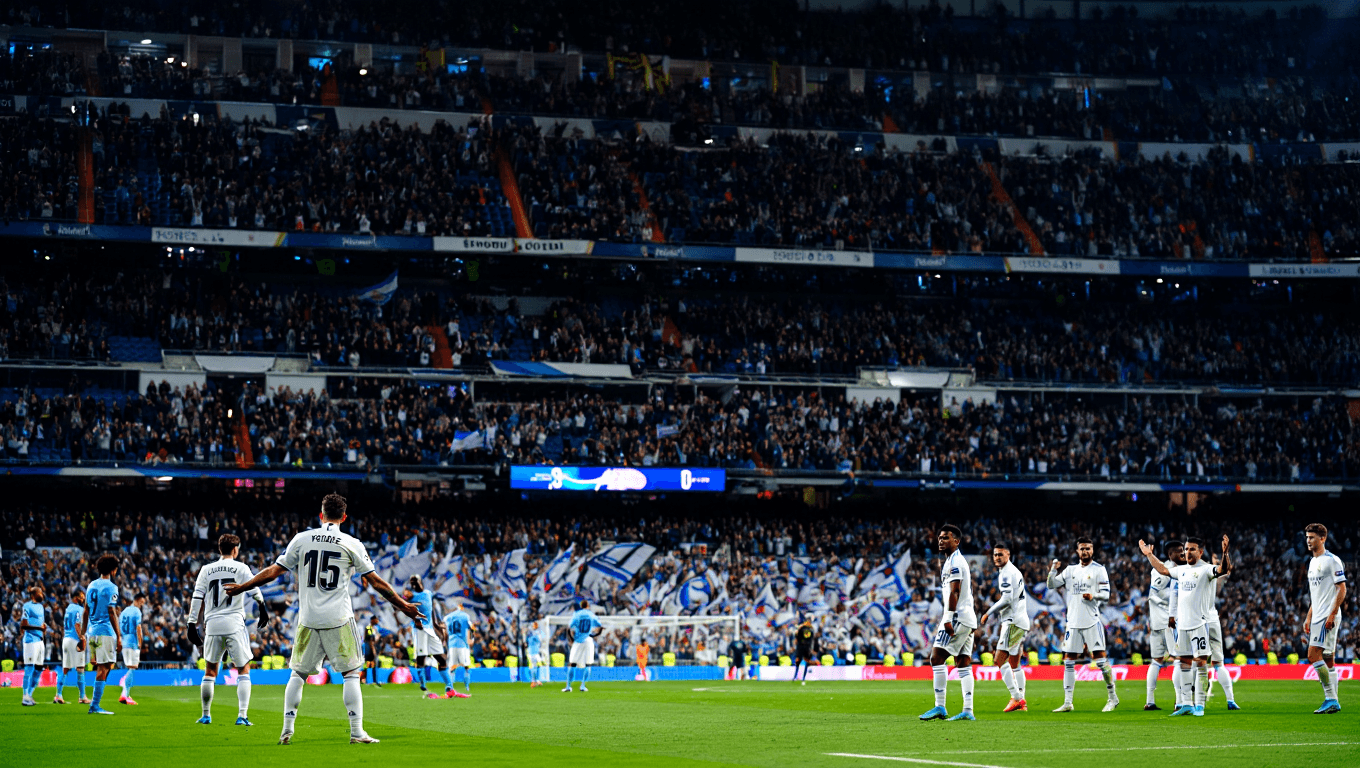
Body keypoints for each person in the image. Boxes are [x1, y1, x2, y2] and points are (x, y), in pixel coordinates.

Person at [225, 493, 424, 745]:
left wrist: (244, 587)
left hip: (308, 619)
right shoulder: (351, 543)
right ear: (344, 517)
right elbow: (376, 582)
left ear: (321, 515)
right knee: (351, 673)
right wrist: (404, 605)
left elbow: (273, 571)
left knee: (297, 675)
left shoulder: (302, 539)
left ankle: (287, 730)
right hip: (338, 617)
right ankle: (356, 732)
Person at [1139, 534, 1230, 717]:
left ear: (1200, 551)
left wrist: (1225, 553)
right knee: (1184, 663)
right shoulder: (1181, 571)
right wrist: (1149, 555)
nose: (1187, 552)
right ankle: (1186, 703)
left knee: (1201, 663)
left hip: (1199, 624)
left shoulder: (1205, 569)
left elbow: (1222, 570)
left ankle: (1200, 705)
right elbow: (1163, 570)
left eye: (1191, 549)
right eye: (1186, 549)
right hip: (1183, 627)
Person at [188, 533, 270, 725]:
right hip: (234, 623)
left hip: (213, 624)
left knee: (210, 671)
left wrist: (191, 623)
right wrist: (262, 606)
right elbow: (254, 586)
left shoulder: (206, 569)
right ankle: (242, 715)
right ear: (235, 550)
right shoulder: (241, 567)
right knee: (243, 669)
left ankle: (206, 715)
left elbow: (197, 597)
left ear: (219, 549)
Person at [1048, 536, 1117, 712]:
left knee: (1101, 661)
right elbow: (1051, 585)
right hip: (1073, 622)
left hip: (1092, 620)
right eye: (1082, 548)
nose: (1085, 551)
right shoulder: (1070, 570)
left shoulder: (1099, 570)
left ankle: (1112, 697)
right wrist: (1052, 571)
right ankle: (1068, 702)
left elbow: (1107, 594)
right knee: (1069, 662)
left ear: (1092, 550)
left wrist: (1093, 595)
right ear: (1077, 551)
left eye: (1088, 548)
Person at [919, 524, 978, 722]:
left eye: (946, 538)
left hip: (957, 617)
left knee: (936, 658)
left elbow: (955, 591)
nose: (941, 541)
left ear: (956, 541)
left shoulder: (955, 562)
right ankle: (968, 710)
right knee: (962, 663)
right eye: (940, 538)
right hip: (967, 617)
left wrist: (947, 617)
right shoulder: (952, 561)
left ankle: (940, 706)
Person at [1303, 523, 1346, 714]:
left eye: (1312, 537)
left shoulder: (1332, 561)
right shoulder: (1312, 562)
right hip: (1317, 615)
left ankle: (1331, 698)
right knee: (1328, 658)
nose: (1308, 541)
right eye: (1307, 537)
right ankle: (1334, 701)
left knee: (1313, 655)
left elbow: (1342, 589)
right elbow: (1317, 595)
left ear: (1323, 538)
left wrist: (1332, 613)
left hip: (1326, 616)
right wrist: (1308, 616)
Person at [980, 542, 1029, 712]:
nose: (997, 557)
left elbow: (1007, 599)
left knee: (999, 659)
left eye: (1000, 554)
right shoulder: (1013, 571)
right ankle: (1022, 700)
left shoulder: (1007, 574)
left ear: (1008, 554)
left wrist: (988, 612)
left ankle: (1016, 698)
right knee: (1015, 662)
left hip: (1013, 622)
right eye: (995, 555)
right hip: (1020, 620)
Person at [1144, 541, 1183, 711]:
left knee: (1157, 661)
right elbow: (1155, 594)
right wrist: (1172, 611)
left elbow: (1152, 596)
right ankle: (1179, 701)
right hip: (1169, 621)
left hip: (1157, 621)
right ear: (1170, 554)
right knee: (1177, 659)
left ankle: (1150, 701)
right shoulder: (1166, 570)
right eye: (1179, 551)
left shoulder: (1158, 569)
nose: (1182, 554)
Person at [81, 554, 122, 715]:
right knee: (103, 667)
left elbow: (86, 610)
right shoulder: (112, 587)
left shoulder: (91, 585)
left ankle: (95, 704)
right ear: (113, 570)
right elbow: (111, 612)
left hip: (92, 632)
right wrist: (119, 636)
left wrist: (83, 633)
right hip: (105, 631)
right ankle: (95, 705)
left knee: (105, 666)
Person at [1205, 553, 1240, 710]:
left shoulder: (1194, 571)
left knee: (1194, 663)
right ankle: (1230, 699)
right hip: (1213, 618)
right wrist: (1225, 555)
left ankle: (1193, 700)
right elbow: (1226, 571)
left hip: (1197, 619)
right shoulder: (1213, 572)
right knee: (1219, 663)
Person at [405, 576, 451, 698]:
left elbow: (431, 611)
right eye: (412, 583)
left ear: (421, 582)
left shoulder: (428, 593)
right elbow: (406, 608)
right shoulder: (411, 596)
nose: (414, 585)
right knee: (421, 657)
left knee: (441, 657)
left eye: (415, 582)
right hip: (419, 629)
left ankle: (449, 685)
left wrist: (437, 624)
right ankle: (423, 684)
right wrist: (415, 620)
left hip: (430, 629)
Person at [58, 590, 89, 705]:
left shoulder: (68, 609)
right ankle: (82, 696)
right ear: (75, 598)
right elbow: (77, 624)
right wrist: (82, 638)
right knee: (80, 668)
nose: (83, 599)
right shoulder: (79, 609)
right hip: (75, 640)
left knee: (65, 668)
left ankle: (58, 694)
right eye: (81, 597)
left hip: (66, 639)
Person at [564, 598, 601, 693]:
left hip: (578, 640)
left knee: (572, 664)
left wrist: (572, 639)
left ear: (581, 606)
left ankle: (568, 686)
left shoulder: (577, 614)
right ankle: (583, 686)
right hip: (588, 640)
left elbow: (569, 627)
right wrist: (595, 635)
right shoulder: (591, 615)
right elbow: (599, 626)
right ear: (588, 606)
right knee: (588, 664)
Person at [19, 586, 47, 707]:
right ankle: (25, 696)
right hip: (30, 640)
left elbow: (41, 624)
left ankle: (29, 694)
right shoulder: (27, 606)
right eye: (39, 592)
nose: (42, 594)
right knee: (29, 668)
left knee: (39, 668)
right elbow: (24, 625)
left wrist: (43, 631)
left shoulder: (41, 607)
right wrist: (39, 628)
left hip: (40, 641)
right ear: (33, 594)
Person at [117, 593, 146, 705]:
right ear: (137, 600)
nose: (142, 605)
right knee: (133, 668)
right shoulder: (136, 611)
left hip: (124, 642)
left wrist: (120, 640)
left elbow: (119, 628)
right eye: (142, 602)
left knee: (130, 667)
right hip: (133, 642)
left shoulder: (124, 612)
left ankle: (126, 693)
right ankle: (125, 694)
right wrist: (140, 642)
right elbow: (138, 627)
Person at [442, 600, 473, 698]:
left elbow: (444, 632)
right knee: (467, 667)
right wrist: (471, 639)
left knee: (451, 669)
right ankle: (467, 686)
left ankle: (450, 687)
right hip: (463, 644)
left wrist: (445, 643)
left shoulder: (447, 617)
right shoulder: (465, 616)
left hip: (452, 644)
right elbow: (471, 628)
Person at [792, 620, 816, 685]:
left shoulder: (800, 630)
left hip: (800, 647)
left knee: (798, 661)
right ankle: (803, 677)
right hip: (807, 647)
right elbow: (811, 640)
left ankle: (795, 676)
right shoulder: (811, 630)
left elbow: (796, 637)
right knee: (806, 662)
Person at [362, 615, 384, 686]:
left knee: (373, 665)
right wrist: (374, 651)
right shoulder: (369, 628)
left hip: (372, 648)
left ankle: (374, 680)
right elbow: (370, 640)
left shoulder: (375, 628)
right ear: (372, 620)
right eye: (376, 619)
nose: (377, 621)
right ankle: (367, 680)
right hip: (369, 649)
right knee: (369, 664)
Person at [526, 620, 547, 688]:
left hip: (536, 652)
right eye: (534, 625)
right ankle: (533, 681)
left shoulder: (536, 633)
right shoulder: (532, 635)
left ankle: (537, 680)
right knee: (533, 667)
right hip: (531, 653)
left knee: (538, 666)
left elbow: (539, 641)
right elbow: (536, 640)